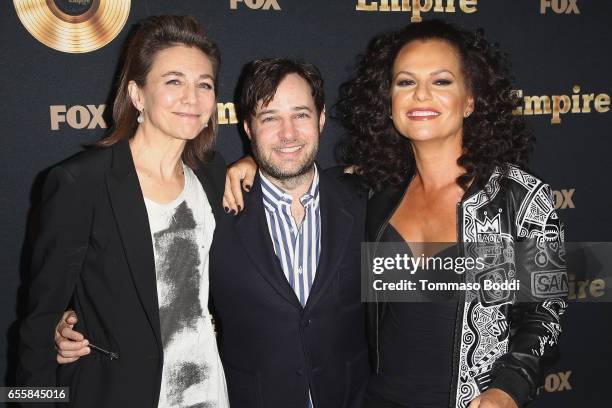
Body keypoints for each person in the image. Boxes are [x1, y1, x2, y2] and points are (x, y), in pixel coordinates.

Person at [220, 20, 567, 408]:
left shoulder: (520, 196)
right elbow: (300, 174)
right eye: (405, 82)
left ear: (470, 99)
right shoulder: (376, 191)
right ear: (389, 100)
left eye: (441, 81)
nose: (421, 95)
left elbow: (547, 310)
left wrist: (508, 390)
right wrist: (252, 161)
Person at [54, 58, 370, 408]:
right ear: (248, 128)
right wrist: (74, 322)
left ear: (322, 118)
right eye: (269, 118)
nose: (288, 133)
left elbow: (408, 304)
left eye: (300, 115)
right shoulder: (212, 206)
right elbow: (150, 287)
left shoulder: (365, 201)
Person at [17, 15, 229, 407]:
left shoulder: (214, 176)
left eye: (205, 85)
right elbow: (37, 325)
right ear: (136, 94)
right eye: (173, 81)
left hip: (206, 390)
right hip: (116, 393)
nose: (192, 98)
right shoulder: (80, 183)